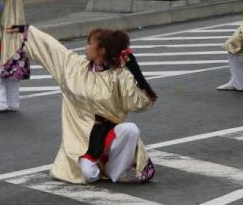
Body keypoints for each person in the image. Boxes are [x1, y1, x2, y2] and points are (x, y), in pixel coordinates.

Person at [17, 26, 156, 184]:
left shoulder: (120, 76)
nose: (86, 47)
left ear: (101, 50)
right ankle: (96, 167)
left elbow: (141, 102)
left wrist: (137, 74)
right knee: (88, 175)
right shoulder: (75, 68)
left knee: (131, 129)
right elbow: (54, 49)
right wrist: (28, 32)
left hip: (109, 136)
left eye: (89, 43)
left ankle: (113, 171)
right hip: (80, 140)